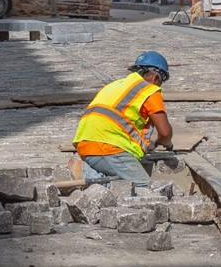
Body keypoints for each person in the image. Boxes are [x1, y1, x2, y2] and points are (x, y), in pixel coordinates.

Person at [70, 50, 175, 185]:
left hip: (86, 145)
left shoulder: (114, 85)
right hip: (109, 148)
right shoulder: (149, 90)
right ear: (156, 78)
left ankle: (94, 177)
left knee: (122, 183)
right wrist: (165, 142)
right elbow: (165, 132)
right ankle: (86, 173)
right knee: (143, 187)